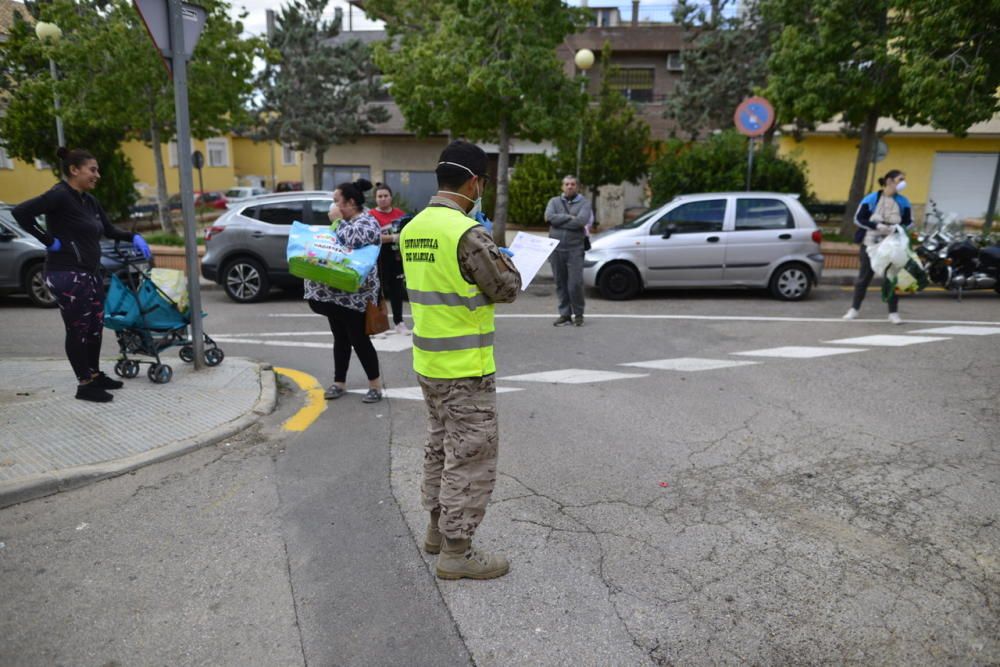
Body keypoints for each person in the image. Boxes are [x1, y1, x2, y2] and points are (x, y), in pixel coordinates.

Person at [401, 140, 521, 580]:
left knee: (439, 448)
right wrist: (505, 259)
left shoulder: (413, 228)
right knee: (470, 458)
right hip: (466, 369)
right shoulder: (467, 233)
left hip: (429, 364)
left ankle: (436, 530)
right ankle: (457, 550)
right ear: (475, 182)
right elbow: (506, 288)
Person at [12, 147, 152, 403]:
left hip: (89, 273)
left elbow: (108, 229)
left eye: (97, 169)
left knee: (95, 327)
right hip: (65, 273)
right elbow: (20, 213)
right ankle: (84, 384)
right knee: (78, 328)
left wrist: (133, 236)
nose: (97, 175)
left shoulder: (88, 200)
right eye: (92, 169)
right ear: (74, 170)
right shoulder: (59, 195)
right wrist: (48, 240)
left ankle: (95, 374)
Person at [305, 179, 384, 403]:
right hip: (335, 295)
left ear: (350, 203)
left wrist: (337, 222)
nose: (333, 206)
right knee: (340, 338)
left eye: (336, 201)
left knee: (359, 339)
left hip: (356, 296)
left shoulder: (368, 222)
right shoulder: (345, 221)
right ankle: (339, 382)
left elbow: (352, 239)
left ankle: (375, 385)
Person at [844, 169, 913, 324]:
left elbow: (909, 221)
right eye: (900, 179)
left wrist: (898, 228)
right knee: (864, 277)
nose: (903, 183)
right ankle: (854, 309)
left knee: (891, 278)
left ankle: (893, 313)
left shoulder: (903, 202)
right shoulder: (871, 199)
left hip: (892, 244)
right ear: (889, 181)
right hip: (870, 243)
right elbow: (858, 219)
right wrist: (876, 225)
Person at [545, 175, 592, 327]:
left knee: (575, 284)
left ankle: (578, 314)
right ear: (562, 187)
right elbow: (549, 217)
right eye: (566, 184)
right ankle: (565, 315)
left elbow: (581, 221)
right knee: (560, 283)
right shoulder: (554, 201)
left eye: (572, 184)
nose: (569, 186)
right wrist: (569, 217)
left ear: (577, 187)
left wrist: (559, 222)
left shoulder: (584, 203)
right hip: (556, 248)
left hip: (575, 249)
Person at [370, 183, 409, 335]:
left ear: (391, 197)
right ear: (375, 199)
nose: (383, 199)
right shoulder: (371, 215)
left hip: (396, 257)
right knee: (378, 291)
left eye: (386, 196)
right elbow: (373, 237)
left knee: (397, 290)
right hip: (379, 258)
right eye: (380, 196)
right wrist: (393, 237)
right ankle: (377, 325)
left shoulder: (400, 214)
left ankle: (399, 322)